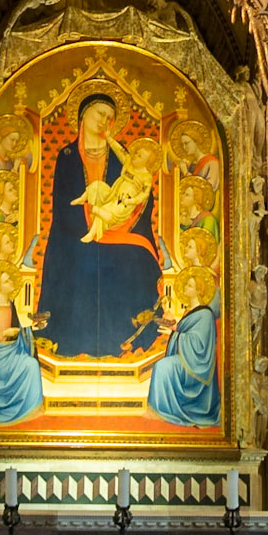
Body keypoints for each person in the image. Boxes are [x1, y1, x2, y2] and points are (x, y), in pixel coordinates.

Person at [38, 93, 161, 359]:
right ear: (83, 117)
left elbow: (142, 200)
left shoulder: (125, 158)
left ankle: (123, 341)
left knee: (132, 258)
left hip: (119, 231)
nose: (104, 120)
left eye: (109, 116)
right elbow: (62, 203)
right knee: (79, 261)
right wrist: (89, 225)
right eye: (99, 113)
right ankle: (70, 344)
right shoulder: (67, 156)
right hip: (74, 234)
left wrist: (117, 224)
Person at [0, 267, 45, 424]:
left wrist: (33, 328)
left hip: (12, 353)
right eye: (7, 281)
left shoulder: (11, 305)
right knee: (30, 365)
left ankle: (30, 407)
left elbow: (18, 331)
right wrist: (3, 333)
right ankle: (8, 408)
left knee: (31, 364)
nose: (12, 282)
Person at [148, 281, 221, 426]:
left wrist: (174, 333)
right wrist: (172, 325)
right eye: (186, 284)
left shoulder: (205, 314)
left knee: (163, 367)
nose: (185, 287)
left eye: (190, 286)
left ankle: (164, 410)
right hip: (188, 358)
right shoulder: (191, 311)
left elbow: (200, 344)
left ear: (198, 290)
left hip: (197, 364)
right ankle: (161, 409)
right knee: (162, 366)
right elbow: (183, 330)